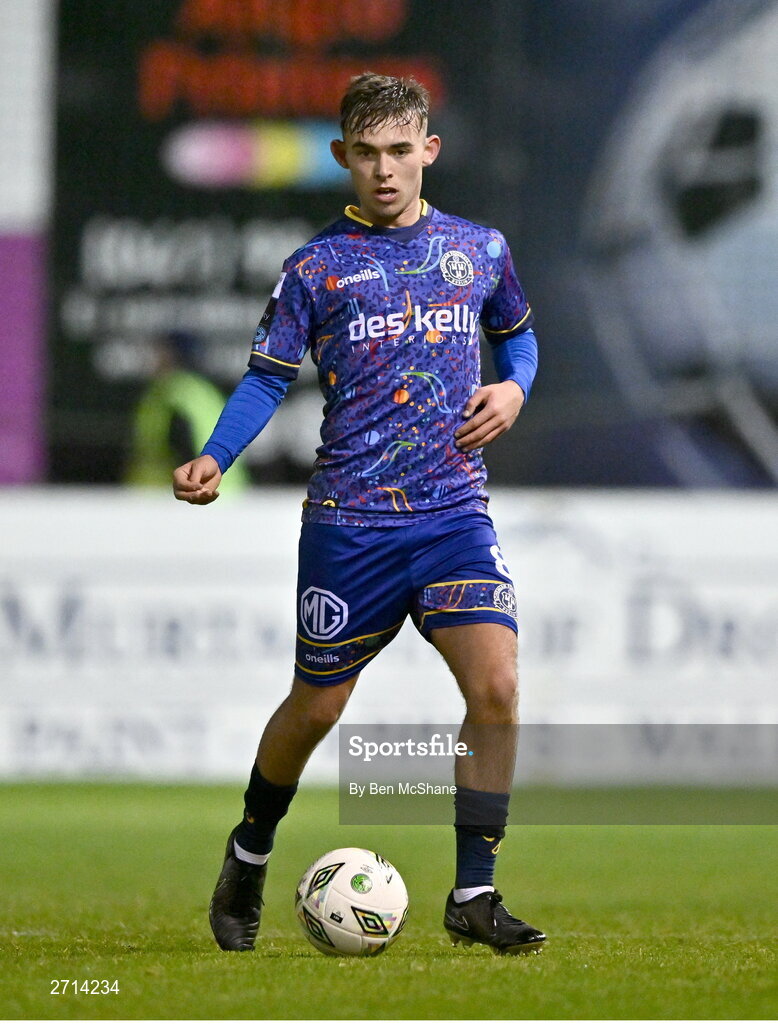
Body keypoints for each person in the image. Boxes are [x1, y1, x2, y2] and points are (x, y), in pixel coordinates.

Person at [173, 72, 545, 956]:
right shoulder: (315, 269)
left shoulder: (478, 250)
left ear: (428, 151)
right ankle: (250, 850)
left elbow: (520, 334)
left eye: (400, 151)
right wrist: (215, 456)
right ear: (343, 156)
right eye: (367, 154)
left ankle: (475, 892)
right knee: (316, 706)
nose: (385, 170)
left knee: (494, 686)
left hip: (453, 512)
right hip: (350, 523)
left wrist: (515, 389)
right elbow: (269, 376)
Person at [126, 329, 249, 492]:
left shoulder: (173, 391)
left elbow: (182, 441)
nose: (151, 359)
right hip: (225, 494)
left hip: (190, 498)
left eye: (158, 351)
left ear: (171, 355)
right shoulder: (202, 390)